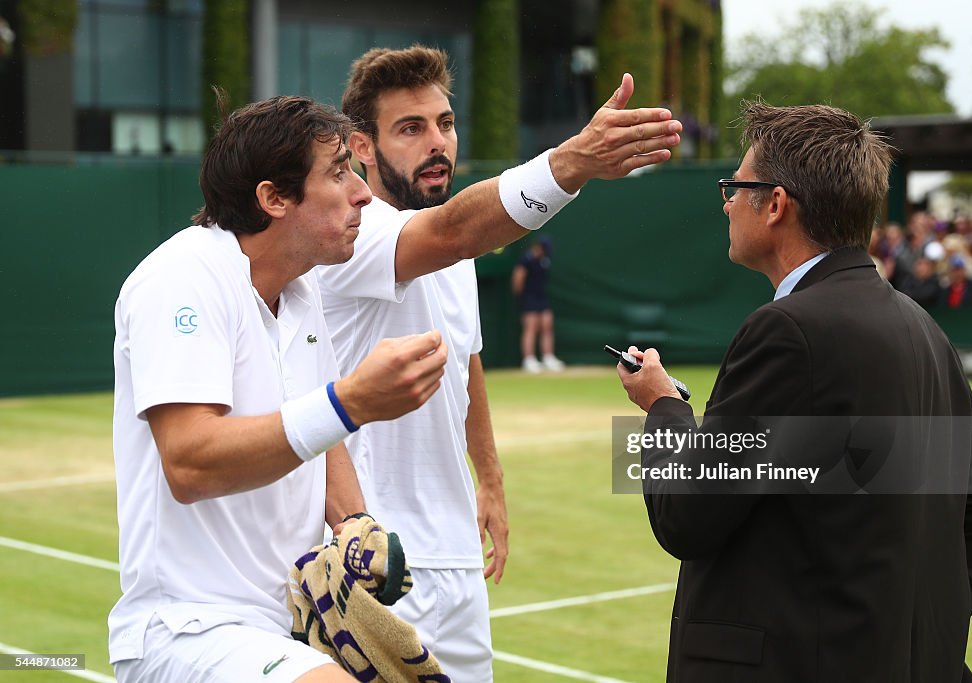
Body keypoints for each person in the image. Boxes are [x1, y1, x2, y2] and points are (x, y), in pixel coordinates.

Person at [616, 102, 972, 682]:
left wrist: (663, 407)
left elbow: (685, 515)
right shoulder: (920, 326)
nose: (727, 202)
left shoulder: (787, 330)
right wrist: (922, 636)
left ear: (776, 204)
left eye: (736, 186)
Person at [316, 45, 680, 681]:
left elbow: (466, 359)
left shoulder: (453, 246)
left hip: (455, 562)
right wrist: (573, 162)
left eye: (445, 124)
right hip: (370, 563)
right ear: (362, 147)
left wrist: (490, 477)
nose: (437, 143)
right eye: (411, 128)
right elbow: (455, 231)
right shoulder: (353, 233)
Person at [110, 94, 454, 683]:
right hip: (186, 631)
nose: (362, 193)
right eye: (338, 172)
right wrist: (351, 403)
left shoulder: (301, 289)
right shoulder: (181, 279)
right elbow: (190, 463)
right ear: (273, 199)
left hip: (283, 628)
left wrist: (353, 525)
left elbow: (319, 430)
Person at [512, 235, 566, 372]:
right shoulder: (526, 259)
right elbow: (518, 278)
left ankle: (548, 357)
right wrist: (523, 297)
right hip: (529, 297)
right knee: (531, 327)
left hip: (542, 297)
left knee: (547, 325)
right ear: (537, 247)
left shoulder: (545, 260)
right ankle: (528, 360)